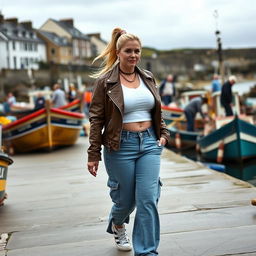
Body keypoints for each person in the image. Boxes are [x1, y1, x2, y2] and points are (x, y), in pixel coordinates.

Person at [87, 28, 170, 256]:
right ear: (118, 52)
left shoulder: (148, 78)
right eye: (128, 51)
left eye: (137, 51)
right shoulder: (106, 82)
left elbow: (156, 111)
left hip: (150, 145)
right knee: (125, 201)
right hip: (120, 145)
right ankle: (117, 224)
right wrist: (93, 154)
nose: (133, 55)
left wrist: (163, 132)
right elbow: (96, 119)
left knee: (147, 199)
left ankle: (147, 252)